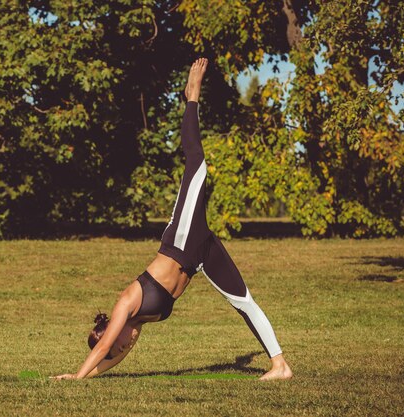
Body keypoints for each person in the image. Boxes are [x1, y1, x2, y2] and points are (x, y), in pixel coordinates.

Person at [51, 58, 292, 381]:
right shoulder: (138, 324)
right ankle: (281, 365)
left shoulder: (127, 302)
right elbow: (109, 356)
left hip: (181, 238)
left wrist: (76, 376)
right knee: (243, 301)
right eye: (122, 350)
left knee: (197, 163)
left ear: (112, 329)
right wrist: (94, 374)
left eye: (119, 344)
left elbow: (104, 346)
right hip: (199, 256)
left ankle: (192, 97)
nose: (125, 347)